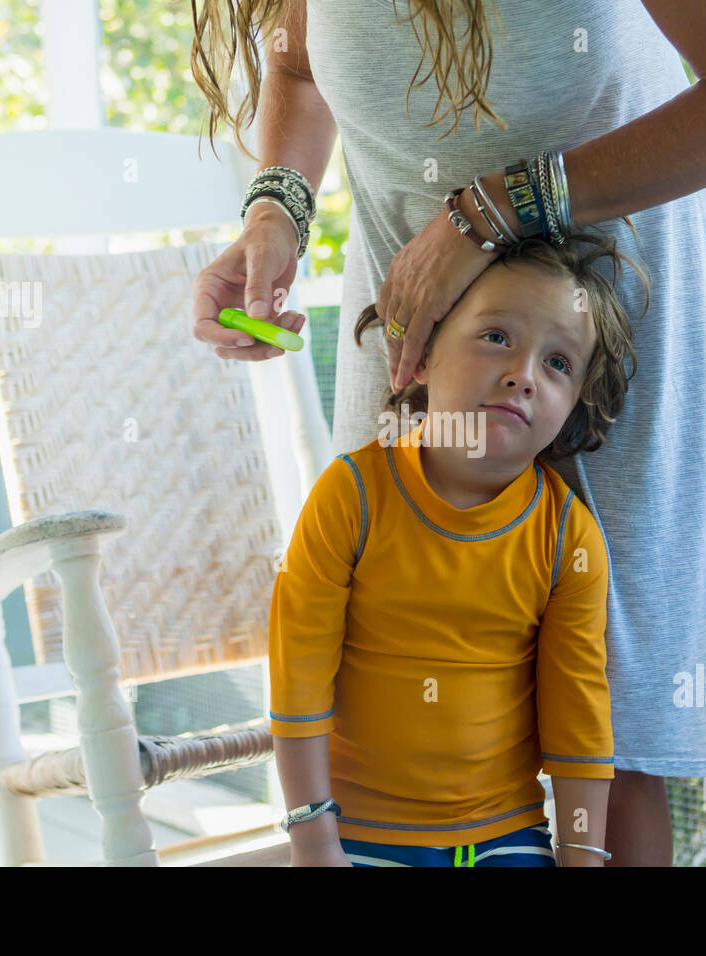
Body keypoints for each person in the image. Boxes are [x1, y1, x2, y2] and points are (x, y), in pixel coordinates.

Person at [191, 0, 706, 866]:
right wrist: (276, 211)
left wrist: (493, 209)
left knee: (614, 713)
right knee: (398, 663)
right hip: (418, 322)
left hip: (597, 326)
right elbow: (300, 68)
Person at [269, 232, 650, 866]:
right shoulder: (351, 497)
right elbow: (298, 682)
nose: (522, 375)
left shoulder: (568, 538)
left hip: (508, 839)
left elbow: (579, 718)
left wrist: (581, 854)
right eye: (497, 336)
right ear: (419, 354)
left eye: (558, 363)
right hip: (358, 837)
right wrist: (313, 839)